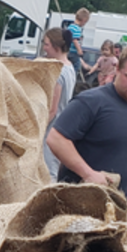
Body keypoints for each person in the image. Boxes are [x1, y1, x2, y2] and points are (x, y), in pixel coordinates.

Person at [46, 42, 127, 200]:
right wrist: (88, 174)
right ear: (117, 68)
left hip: (119, 206)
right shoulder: (91, 101)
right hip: (78, 203)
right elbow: (56, 138)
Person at [41, 27, 77, 180]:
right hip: (63, 125)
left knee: (48, 171)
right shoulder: (70, 68)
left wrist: (39, 129)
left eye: (46, 44)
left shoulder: (59, 72)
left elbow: (52, 109)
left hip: (51, 128)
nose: (44, 48)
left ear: (56, 47)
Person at [67, 8, 90, 77]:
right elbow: (75, 40)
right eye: (85, 22)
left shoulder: (70, 26)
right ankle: (73, 77)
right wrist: (79, 50)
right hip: (73, 52)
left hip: (68, 51)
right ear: (83, 20)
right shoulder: (77, 29)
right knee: (76, 65)